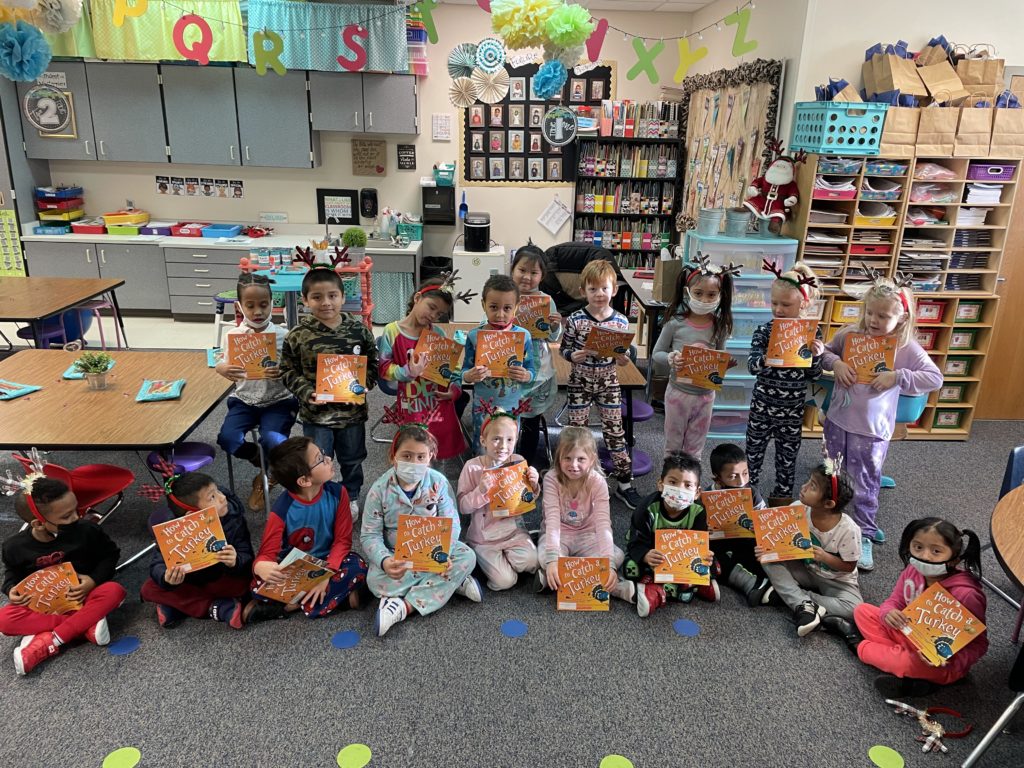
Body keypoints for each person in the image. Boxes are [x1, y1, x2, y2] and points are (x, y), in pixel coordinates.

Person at [821, 275, 942, 570]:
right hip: (837, 420)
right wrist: (835, 363)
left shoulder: (906, 347)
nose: (873, 320)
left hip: (872, 431)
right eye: (870, 313)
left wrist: (897, 377)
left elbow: (935, 378)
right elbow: (824, 352)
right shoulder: (850, 334)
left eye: (883, 316)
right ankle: (827, 521)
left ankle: (863, 531)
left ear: (901, 318)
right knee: (832, 473)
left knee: (864, 481)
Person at [361, 425, 482, 637]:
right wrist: (384, 561)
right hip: (397, 554)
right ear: (393, 457)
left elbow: (451, 521)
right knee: (375, 582)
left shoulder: (438, 482)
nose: (414, 463)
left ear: (430, 457)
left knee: (468, 556)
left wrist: (445, 551)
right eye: (406, 456)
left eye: (420, 457)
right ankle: (450, 583)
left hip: (435, 550)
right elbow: (370, 535)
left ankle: (402, 607)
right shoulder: (379, 490)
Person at [280, 267, 378, 519]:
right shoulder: (298, 335)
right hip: (316, 415)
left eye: (332, 296)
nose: (326, 303)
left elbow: (373, 362)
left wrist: (365, 383)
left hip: (352, 414)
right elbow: (287, 369)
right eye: (317, 297)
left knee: (353, 458)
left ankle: (352, 496)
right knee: (316, 462)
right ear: (305, 300)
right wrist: (305, 391)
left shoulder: (359, 331)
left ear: (343, 298)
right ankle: (321, 498)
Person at [0, 478, 125, 676]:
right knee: (4, 619)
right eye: (67, 517)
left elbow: (110, 555)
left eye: (77, 509)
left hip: (84, 597)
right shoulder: (14, 547)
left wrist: (93, 580)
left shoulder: (87, 531)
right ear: (38, 524)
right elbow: (12, 572)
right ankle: (85, 627)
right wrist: (10, 589)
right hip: (46, 606)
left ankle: (50, 642)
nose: (76, 517)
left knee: (114, 591)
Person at [852, 517, 988, 698]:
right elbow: (894, 601)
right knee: (862, 611)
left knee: (903, 663)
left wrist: (952, 661)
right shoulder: (912, 570)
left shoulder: (967, 595)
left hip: (940, 661)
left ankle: (862, 648)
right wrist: (888, 613)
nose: (924, 556)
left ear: (955, 559)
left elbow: (979, 644)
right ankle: (904, 664)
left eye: (936, 551)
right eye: (918, 547)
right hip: (908, 633)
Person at [244, 436, 369, 624]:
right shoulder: (281, 510)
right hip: (296, 571)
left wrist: (324, 575)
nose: (329, 459)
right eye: (320, 459)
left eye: (324, 454)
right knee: (258, 585)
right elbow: (267, 554)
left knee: (357, 566)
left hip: (329, 562)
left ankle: (289, 607)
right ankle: (328, 602)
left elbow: (342, 541)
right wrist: (260, 566)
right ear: (304, 480)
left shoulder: (338, 493)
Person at [560, 260, 641, 509]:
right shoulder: (575, 319)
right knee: (578, 435)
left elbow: (626, 357)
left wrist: (624, 358)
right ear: (583, 291)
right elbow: (565, 349)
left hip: (609, 383)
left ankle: (625, 485)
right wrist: (571, 355)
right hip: (579, 384)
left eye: (604, 288)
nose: (599, 294)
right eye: (593, 289)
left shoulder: (620, 321)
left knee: (616, 434)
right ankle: (577, 483)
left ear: (614, 290)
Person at [215, 273, 298, 511]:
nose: (257, 311)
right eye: (250, 306)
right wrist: (221, 368)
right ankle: (266, 465)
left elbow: (296, 368)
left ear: (273, 303)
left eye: (263, 304)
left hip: (278, 400)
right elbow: (222, 360)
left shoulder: (283, 335)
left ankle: (267, 475)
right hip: (244, 400)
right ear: (240, 306)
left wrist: (284, 371)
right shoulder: (233, 336)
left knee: (273, 439)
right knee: (227, 438)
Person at [745, 262, 824, 499]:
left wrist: (817, 356)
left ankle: (781, 499)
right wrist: (766, 358)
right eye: (774, 303)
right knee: (752, 456)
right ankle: (748, 496)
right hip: (762, 407)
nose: (778, 309)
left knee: (787, 460)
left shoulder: (811, 334)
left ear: (804, 303)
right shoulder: (764, 330)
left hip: (791, 411)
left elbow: (815, 377)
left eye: (786, 304)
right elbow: (751, 366)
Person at [760, 462, 862, 638]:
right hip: (804, 569)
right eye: (808, 481)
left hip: (837, 580)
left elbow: (849, 567)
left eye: (812, 486)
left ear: (829, 504)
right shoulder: (798, 507)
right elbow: (782, 541)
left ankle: (796, 598)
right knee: (768, 559)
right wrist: (768, 549)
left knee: (854, 610)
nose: (804, 486)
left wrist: (825, 557)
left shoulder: (849, 530)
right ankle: (800, 602)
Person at [140, 472, 254, 630]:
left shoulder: (232, 517)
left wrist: (236, 561)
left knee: (245, 585)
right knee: (148, 588)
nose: (222, 498)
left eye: (218, 491)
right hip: (189, 581)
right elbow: (158, 564)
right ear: (192, 515)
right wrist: (167, 578)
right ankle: (218, 608)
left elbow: (247, 555)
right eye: (212, 497)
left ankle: (178, 607)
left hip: (221, 578)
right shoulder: (172, 531)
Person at [536, 427, 635, 604]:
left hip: (588, 535)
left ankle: (558, 578)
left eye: (581, 459)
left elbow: (603, 524)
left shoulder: (597, 482)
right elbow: (552, 522)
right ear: (559, 457)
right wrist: (552, 560)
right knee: (545, 555)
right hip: (560, 536)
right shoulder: (551, 478)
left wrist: (609, 564)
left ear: (592, 460)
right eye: (567, 458)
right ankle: (613, 587)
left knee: (616, 555)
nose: (573, 465)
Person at [652, 259, 737, 462]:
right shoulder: (675, 324)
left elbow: (719, 359)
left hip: (705, 397)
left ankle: (690, 487)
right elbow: (657, 354)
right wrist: (671, 359)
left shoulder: (720, 327)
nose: (705, 300)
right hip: (678, 394)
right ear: (686, 292)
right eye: (698, 293)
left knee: (695, 447)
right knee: (673, 445)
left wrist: (724, 365)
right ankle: (669, 485)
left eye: (711, 295)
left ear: (720, 295)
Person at [377, 277, 466, 461]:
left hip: (436, 404)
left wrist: (454, 390)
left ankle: (436, 488)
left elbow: (452, 371)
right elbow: (384, 369)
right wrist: (408, 372)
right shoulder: (392, 331)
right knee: (414, 450)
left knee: (437, 452)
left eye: (439, 313)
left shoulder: (437, 334)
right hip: (411, 405)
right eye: (431, 307)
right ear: (417, 298)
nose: (433, 316)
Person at [624, 452, 719, 618]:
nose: (679, 490)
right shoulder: (646, 508)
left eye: (688, 485)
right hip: (653, 553)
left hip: (681, 559)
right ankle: (653, 590)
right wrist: (645, 554)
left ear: (697, 492)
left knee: (712, 565)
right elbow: (635, 540)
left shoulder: (699, 511)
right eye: (673, 482)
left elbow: (699, 543)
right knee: (632, 566)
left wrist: (705, 555)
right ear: (661, 484)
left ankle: (688, 584)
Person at [458, 411, 540, 591]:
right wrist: (480, 491)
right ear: (482, 441)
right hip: (484, 539)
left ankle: (508, 560)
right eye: (496, 439)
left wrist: (533, 485)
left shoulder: (518, 461)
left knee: (533, 562)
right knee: (505, 581)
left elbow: (526, 500)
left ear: (516, 440)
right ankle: (483, 561)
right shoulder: (472, 468)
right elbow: (463, 507)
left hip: (514, 532)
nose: (503, 446)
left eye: (510, 440)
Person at [461, 274, 535, 453]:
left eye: (507, 308)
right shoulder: (474, 336)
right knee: (482, 447)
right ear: (483, 305)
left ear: (516, 308)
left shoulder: (524, 336)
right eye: (493, 307)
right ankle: (478, 477)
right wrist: (469, 375)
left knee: (508, 448)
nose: (500, 314)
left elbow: (532, 369)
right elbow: (463, 371)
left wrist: (526, 375)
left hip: (512, 405)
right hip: (483, 405)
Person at [510, 243, 562, 466]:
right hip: (508, 368)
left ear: (542, 276)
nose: (527, 277)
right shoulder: (505, 295)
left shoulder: (546, 301)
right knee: (506, 421)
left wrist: (554, 325)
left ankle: (526, 466)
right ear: (512, 269)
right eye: (522, 270)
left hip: (538, 370)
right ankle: (505, 465)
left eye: (534, 272)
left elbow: (552, 338)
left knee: (531, 420)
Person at [704, 443, 774, 606]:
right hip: (719, 543)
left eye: (745, 473)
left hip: (745, 542)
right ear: (717, 477)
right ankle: (751, 582)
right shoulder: (707, 496)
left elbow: (765, 521)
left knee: (759, 554)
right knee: (708, 557)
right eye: (733, 476)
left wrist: (757, 525)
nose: (742, 481)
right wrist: (704, 528)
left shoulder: (752, 493)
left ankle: (760, 582)